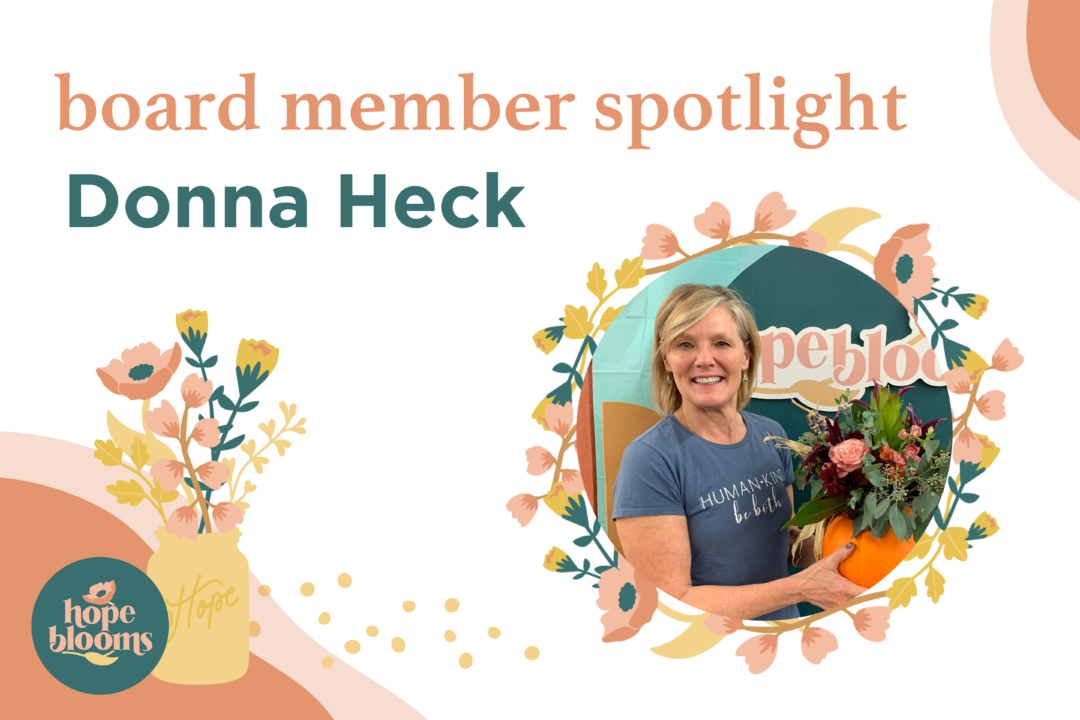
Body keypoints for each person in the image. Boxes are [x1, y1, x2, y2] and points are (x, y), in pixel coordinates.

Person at [612, 284, 866, 620]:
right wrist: (801, 588)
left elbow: (779, 543)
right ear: (666, 360)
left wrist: (862, 543)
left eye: (721, 343)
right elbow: (670, 603)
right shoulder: (650, 459)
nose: (704, 360)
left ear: (746, 355)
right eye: (685, 344)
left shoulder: (771, 435)